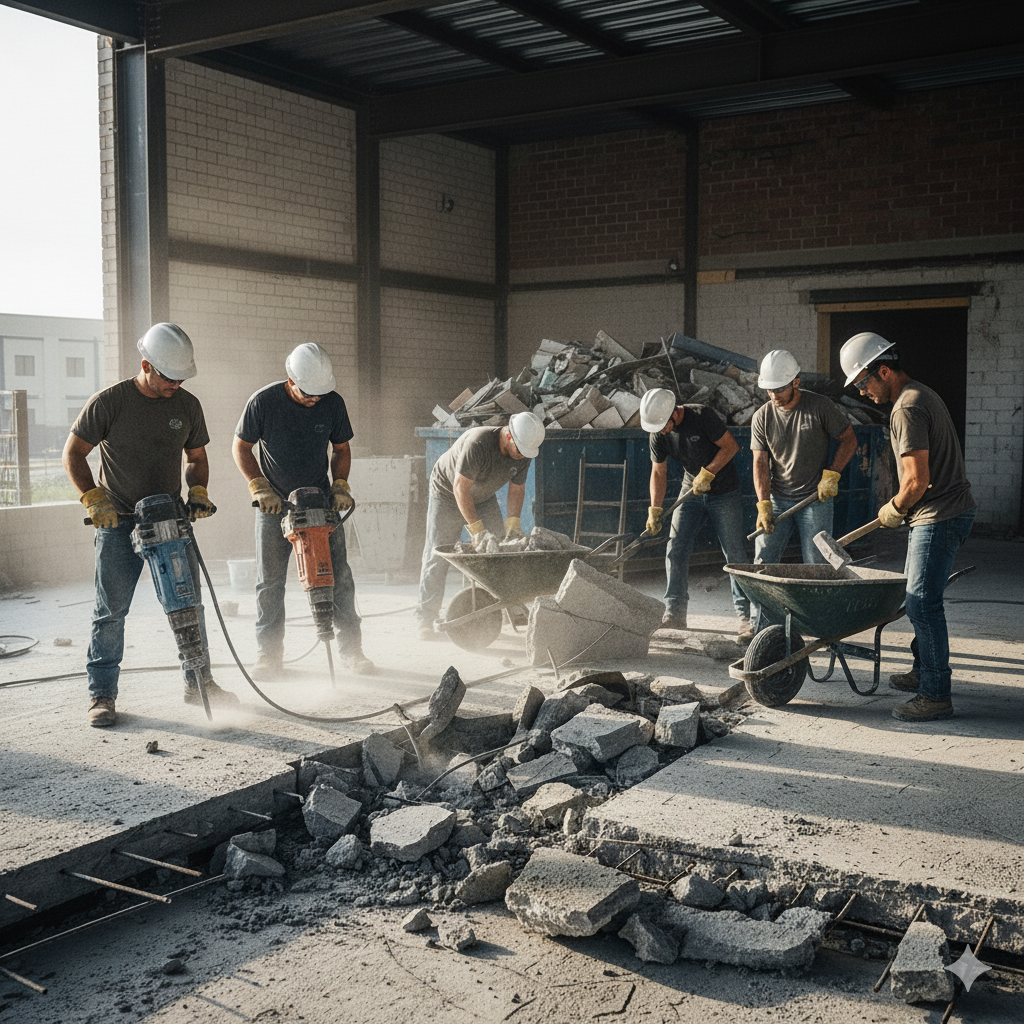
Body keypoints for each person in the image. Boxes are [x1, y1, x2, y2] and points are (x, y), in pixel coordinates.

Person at [62, 323, 238, 728]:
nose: (175, 384)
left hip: (170, 520)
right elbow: (74, 454)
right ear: (146, 365)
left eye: (181, 378)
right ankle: (101, 696)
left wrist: (198, 490)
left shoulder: (187, 405)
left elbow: (196, 457)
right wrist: (93, 497)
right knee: (110, 611)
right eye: (168, 377)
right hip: (118, 521)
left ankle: (199, 683)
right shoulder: (109, 403)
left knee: (188, 605)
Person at [840, 332, 976, 723]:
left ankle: (935, 694)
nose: (863, 392)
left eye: (864, 382)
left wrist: (894, 508)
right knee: (924, 595)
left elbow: (916, 481)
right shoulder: (921, 394)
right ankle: (923, 668)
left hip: (939, 514)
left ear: (883, 370)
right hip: (950, 510)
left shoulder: (906, 408)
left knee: (921, 602)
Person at [232, 342, 372, 678]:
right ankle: (269, 655)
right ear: (290, 380)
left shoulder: (332, 403)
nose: (314, 400)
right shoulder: (263, 402)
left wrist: (340, 484)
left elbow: (341, 448)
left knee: (340, 578)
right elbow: (241, 447)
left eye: (320, 394)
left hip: (320, 502)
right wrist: (257, 485)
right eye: (308, 393)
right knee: (269, 582)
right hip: (274, 505)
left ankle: (352, 651)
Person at [749, 349, 857, 628]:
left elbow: (849, 439)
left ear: (796, 381)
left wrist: (832, 474)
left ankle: (820, 625)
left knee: (817, 565)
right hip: (778, 498)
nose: (774, 396)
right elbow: (760, 463)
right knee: (763, 562)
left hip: (814, 499)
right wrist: (764, 504)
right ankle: (761, 627)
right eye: (769, 390)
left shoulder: (820, 407)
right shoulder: (762, 417)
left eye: (780, 389)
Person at [416, 412, 546, 640]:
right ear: (508, 435)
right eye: (519, 452)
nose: (521, 458)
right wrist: (476, 529)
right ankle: (425, 618)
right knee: (437, 554)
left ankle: (504, 605)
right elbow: (460, 488)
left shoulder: (524, 450)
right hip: (447, 494)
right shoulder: (478, 443)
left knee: (499, 552)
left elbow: (517, 489)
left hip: (483, 497)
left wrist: (513, 522)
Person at [641, 388, 753, 642]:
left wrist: (709, 472)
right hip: (690, 490)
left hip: (724, 491)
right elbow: (658, 472)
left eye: (662, 426)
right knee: (676, 548)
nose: (659, 431)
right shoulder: (657, 431)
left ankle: (746, 618)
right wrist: (655, 508)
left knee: (734, 552)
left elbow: (731, 446)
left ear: (674, 413)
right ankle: (675, 612)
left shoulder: (702, 415)